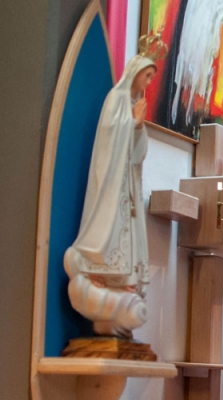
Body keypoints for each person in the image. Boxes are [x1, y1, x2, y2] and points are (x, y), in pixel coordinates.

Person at [63, 52, 157, 338]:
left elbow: (139, 152)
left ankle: (123, 280)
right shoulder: (116, 99)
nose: (148, 82)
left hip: (128, 180)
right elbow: (109, 137)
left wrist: (138, 126)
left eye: (151, 77)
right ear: (135, 73)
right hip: (112, 180)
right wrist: (131, 122)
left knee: (128, 231)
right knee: (109, 227)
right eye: (147, 76)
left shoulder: (133, 104)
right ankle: (98, 272)